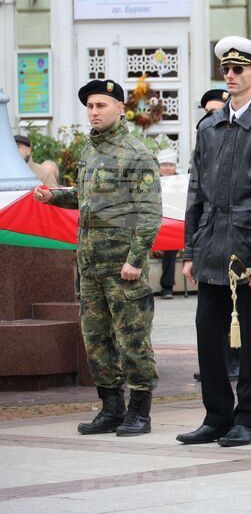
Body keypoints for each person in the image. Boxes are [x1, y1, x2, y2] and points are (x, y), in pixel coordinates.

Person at [177, 36, 251, 448]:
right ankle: (216, 416)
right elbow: (196, 189)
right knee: (207, 335)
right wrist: (190, 249)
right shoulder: (209, 125)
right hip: (211, 244)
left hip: (250, 246)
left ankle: (249, 419)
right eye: (226, 69)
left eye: (239, 69)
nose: (230, 75)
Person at [36, 79, 161, 437]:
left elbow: (148, 213)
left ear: (121, 108)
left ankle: (140, 411)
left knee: (133, 338)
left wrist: (136, 261)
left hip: (123, 268)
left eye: (101, 105)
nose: (94, 112)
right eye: (90, 106)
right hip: (90, 266)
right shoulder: (90, 152)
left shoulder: (137, 153)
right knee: (96, 340)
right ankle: (111, 409)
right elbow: (86, 196)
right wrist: (54, 198)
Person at [193, 89, 240, 383]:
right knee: (210, 319)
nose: (212, 115)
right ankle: (219, 363)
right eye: (207, 111)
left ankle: (237, 359)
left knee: (239, 314)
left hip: (239, 242)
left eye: (217, 109)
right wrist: (191, 250)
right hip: (210, 240)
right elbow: (196, 196)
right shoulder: (205, 135)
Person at [156, 149, 179, 300]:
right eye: (164, 165)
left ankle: (167, 286)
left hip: (173, 225)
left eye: (171, 165)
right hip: (153, 224)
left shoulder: (181, 182)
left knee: (171, 245)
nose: (168, 168)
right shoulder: (151, 180)